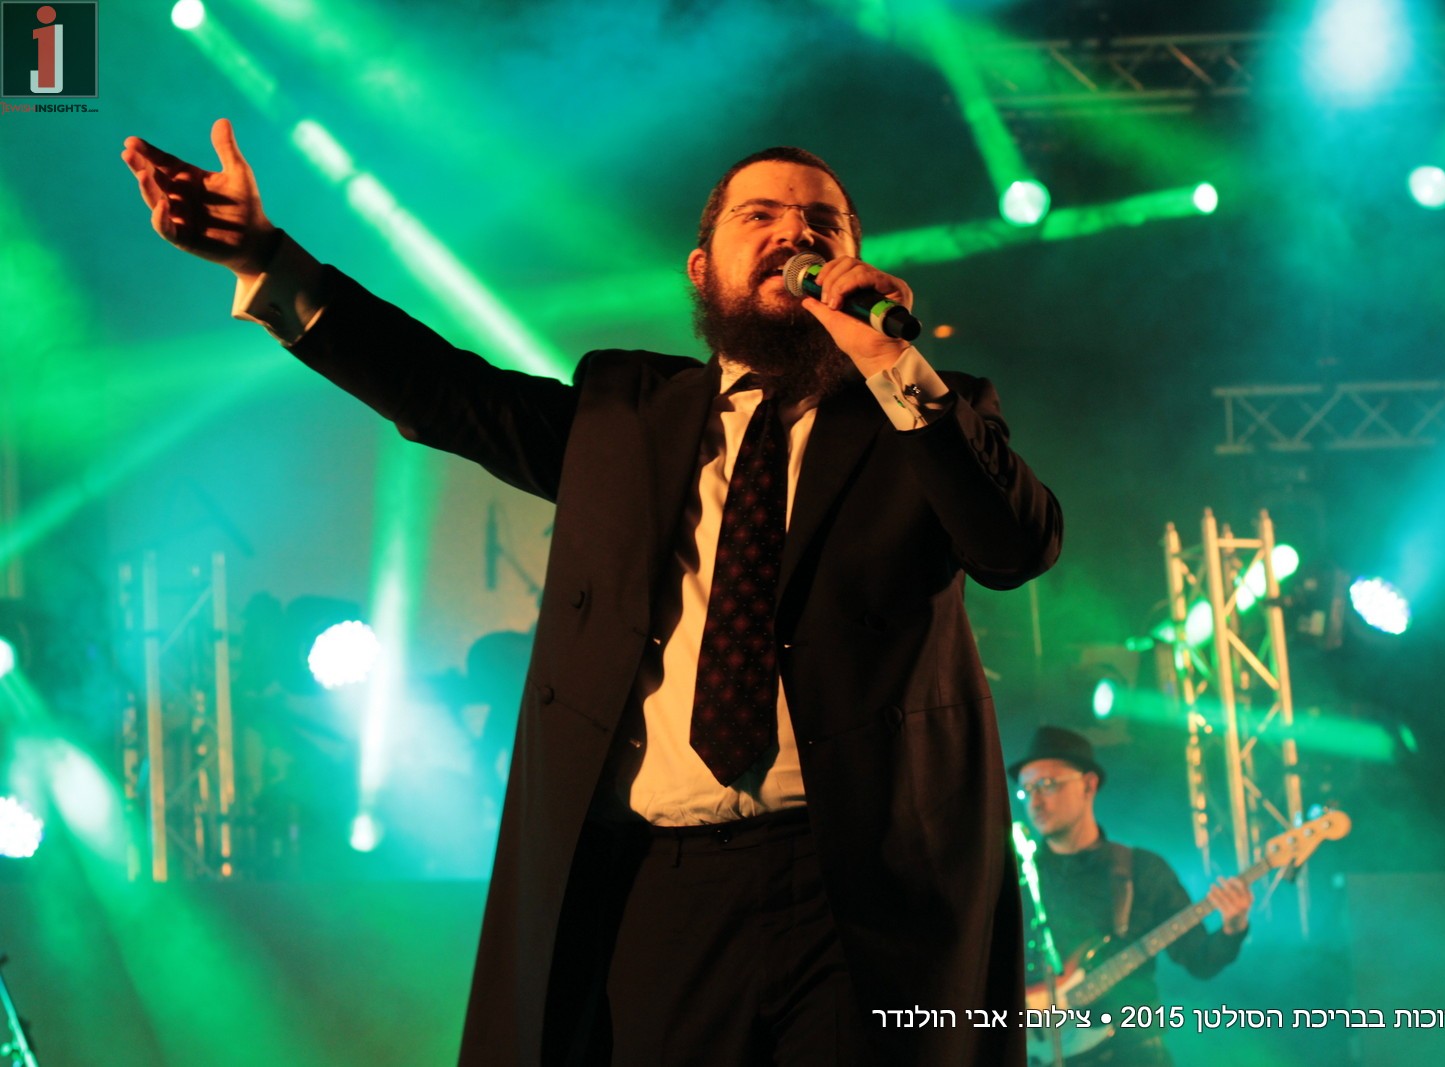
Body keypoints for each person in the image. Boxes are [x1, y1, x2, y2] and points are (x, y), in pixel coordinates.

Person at [122, 119, 1063, 1066]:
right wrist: (266, 258)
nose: (795, 233)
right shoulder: (626, 415)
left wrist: (890, 365)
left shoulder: (923, 412)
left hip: (859, 882)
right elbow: (444, 391)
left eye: (824, 223)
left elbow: (1016, 546)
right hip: (663, 878)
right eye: (760, 215)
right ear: (702, 268)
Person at [1010, 727, 1251, 1066]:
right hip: (1044, 1054)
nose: (1035, 802)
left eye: (1048, 784)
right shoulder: (1017, 880)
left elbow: (1199, 961)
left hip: (1134, 1053)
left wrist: (1233, 927)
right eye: (1027, 790)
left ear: (1089, 785)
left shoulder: (1142, 870)